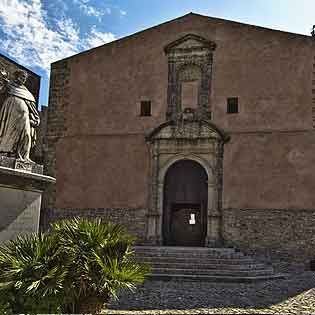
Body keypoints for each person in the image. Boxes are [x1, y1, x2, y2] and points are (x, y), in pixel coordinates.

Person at [0, 69, 40, 161]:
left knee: (26, 134)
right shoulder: (9, 84)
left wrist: (35, 117)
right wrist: (4, 81)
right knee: (10, 131)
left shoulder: (25, 90)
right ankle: (6, 152)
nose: (24, 79)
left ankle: (24, 156)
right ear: (17, 76)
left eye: (25, 78)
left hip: (24, 116)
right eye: (22, 77)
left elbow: (31, 104)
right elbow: (2, 91)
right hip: (11, 111)